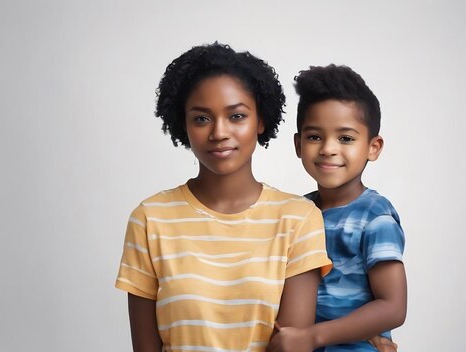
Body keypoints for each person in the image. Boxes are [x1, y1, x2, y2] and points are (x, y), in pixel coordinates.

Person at [115, 43, 333, 352]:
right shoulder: (150, 219)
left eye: (237, 116)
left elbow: (291, 345)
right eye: (202, 119)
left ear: (260, 121)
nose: (219, 132)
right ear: (183, 124)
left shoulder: (299, 219)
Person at [268, 64, 407, 352]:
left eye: (345, 138)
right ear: (298, 144)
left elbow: (393, 306)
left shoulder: (374, 216)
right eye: (315, 136)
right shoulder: (295, 211)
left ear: (373, 147)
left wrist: (312, 337)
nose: (328, 148)